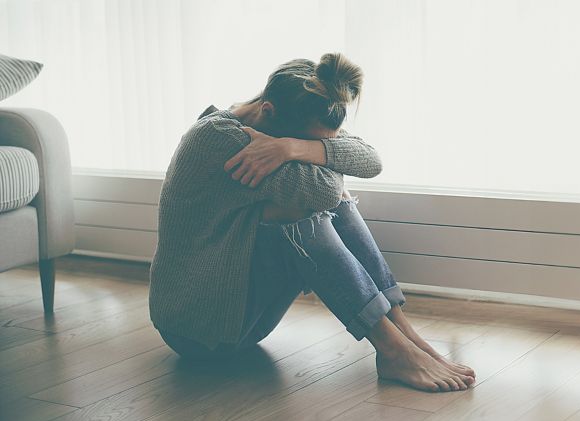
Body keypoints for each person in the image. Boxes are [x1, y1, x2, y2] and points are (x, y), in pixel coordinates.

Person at [149, 53, 476, 392]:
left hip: (242, 320)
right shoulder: (221, 139)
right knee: (304, 209)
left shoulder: (293, 114)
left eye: (316, 142)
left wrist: (294, 147)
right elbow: (326, 191)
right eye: (304, 140)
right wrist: (311, 152)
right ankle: (394, 349)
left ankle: (405, 338)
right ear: (268, 112)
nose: (306, 147)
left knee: (335, 202)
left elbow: (371, 160)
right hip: (198, 329)